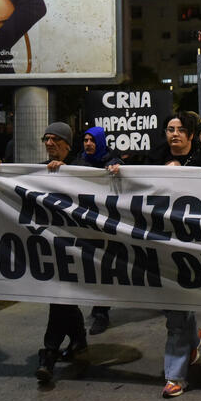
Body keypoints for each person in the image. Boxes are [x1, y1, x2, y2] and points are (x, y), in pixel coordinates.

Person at [0, 122, 93, 384]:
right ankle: (77, 341)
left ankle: (48, 354)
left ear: (68, 144)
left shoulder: (83, 167)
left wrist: (68, 173)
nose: (49, 143)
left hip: (76, 247)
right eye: (46, 139)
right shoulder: (37, 169)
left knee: (60, 297)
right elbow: (13, 184)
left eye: (55, 139)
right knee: (61, 296)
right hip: (47, 246)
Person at [155, 114, 201, 397]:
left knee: (176, 310)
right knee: (173, 304)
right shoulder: (153, 159)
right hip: (161, 243)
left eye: (180, 130)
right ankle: (193, 336)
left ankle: (175, 376)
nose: (174, 134)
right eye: (170, 129)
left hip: (192, 245)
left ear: (190, 136)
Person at [71, 126, 122, 335]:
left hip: (105, 226)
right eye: (85, 140)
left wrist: (119, 171)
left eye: (92, 140)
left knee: (103, 268)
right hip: (84, 225)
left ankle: (101, 312)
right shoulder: (78, 162)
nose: (88, 144)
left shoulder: (112, 161)